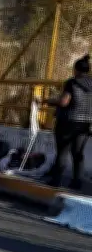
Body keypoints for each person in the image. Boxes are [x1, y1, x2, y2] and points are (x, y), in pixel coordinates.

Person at [44, 54, 92, 189]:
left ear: (75, 70)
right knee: (78, 153)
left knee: (63, 151)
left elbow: (64, 102)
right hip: (85, 124)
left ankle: (56, 180)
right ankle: (77, 182)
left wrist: (47, 101)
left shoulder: (72, 82)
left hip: (68, 122)